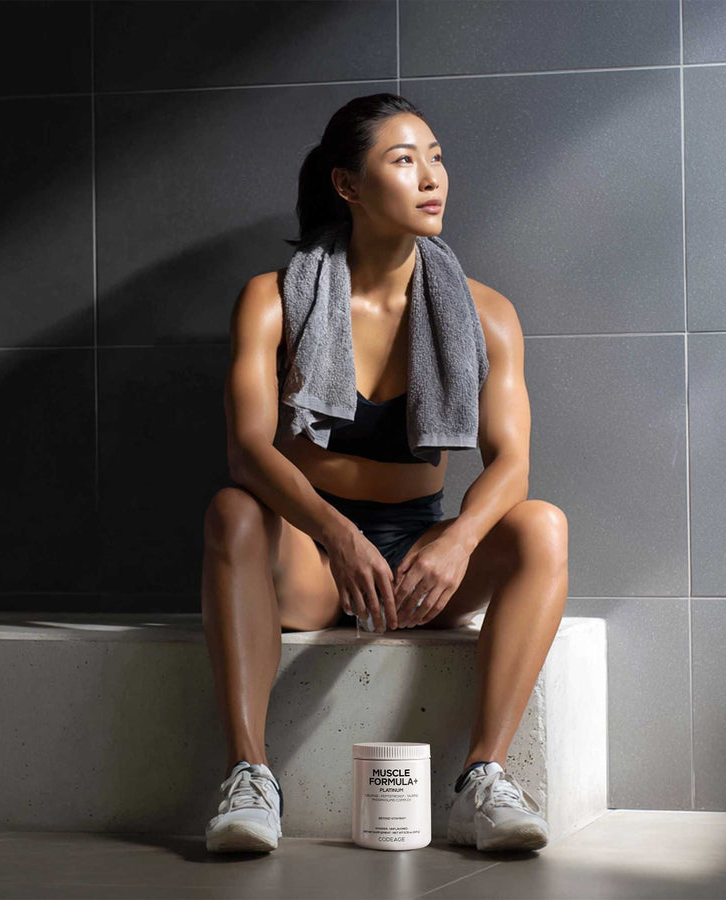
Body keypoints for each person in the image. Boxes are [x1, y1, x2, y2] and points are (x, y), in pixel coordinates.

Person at [202, 93, 568, 854]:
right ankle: (249, 778)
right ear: (349, 185)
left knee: (543, 527)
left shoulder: (486, 311)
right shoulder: (274, 300)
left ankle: (483, 780)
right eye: (404, 160)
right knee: (233, 509)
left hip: (418, 554)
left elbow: (513, 465)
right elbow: (248, 450)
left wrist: (459, 541)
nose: (432, 176)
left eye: (435, 156)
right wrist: (334, 535)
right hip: (309, 551)